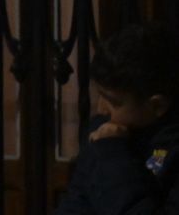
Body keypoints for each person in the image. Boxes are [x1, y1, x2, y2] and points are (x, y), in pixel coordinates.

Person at [56, 21, 179, 215]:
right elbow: (75, 202)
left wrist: (114, 153)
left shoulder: (112, 143)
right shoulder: (103, 131)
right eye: (100, 95)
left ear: (157, 106)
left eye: (113, 101)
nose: (101, 109)